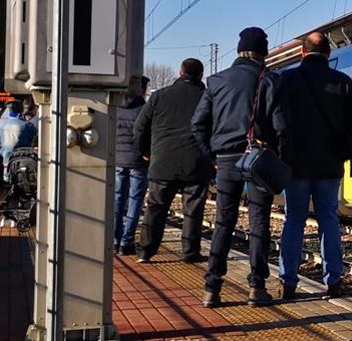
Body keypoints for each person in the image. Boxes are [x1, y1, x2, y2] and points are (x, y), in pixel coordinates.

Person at [267, 32, 352, 300]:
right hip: (329, 165)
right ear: (329, 54)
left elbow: (274, 118)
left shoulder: (285, 80)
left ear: (302, 53)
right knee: (329, 220)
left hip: (295, 165)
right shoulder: (342, 81)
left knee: (294, 220)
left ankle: (287, 283)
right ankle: (333, 281)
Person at [192, 27, 275, 307]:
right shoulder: (269, 80)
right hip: (258, 159)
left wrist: (212, 156)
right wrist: (278, 154)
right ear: (262, 52)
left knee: (223, 223)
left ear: (239, 50)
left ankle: (211, 288)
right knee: (258, 223)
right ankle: (257, 287)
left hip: (226, 160)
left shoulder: (216, 81)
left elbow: (197, 124)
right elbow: (283, 126)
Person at [135, 59, 213, 264]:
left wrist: (145, 151)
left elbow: (140, 127)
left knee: (156, 208)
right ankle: (190, 252)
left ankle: (145, 251)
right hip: (196, 163)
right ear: (200, 75)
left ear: (180, 73)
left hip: (163, 162)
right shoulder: (207, 97)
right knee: (193, 210)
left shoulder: (159, 96)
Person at [113, 76, 150, 256]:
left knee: (117, 198)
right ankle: (126, 242)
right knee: (135, 200)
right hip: (138, 161)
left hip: (117, 159)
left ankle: (113, 240)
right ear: (141, 90)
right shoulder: (144, 109)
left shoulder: (115, 106)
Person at [0, 100, 37, 180]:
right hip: (24, 163)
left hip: (7, 163)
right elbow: (33, 139)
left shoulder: (1, 124)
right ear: (21, 111)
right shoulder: (27, 126)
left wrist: (5, 154)